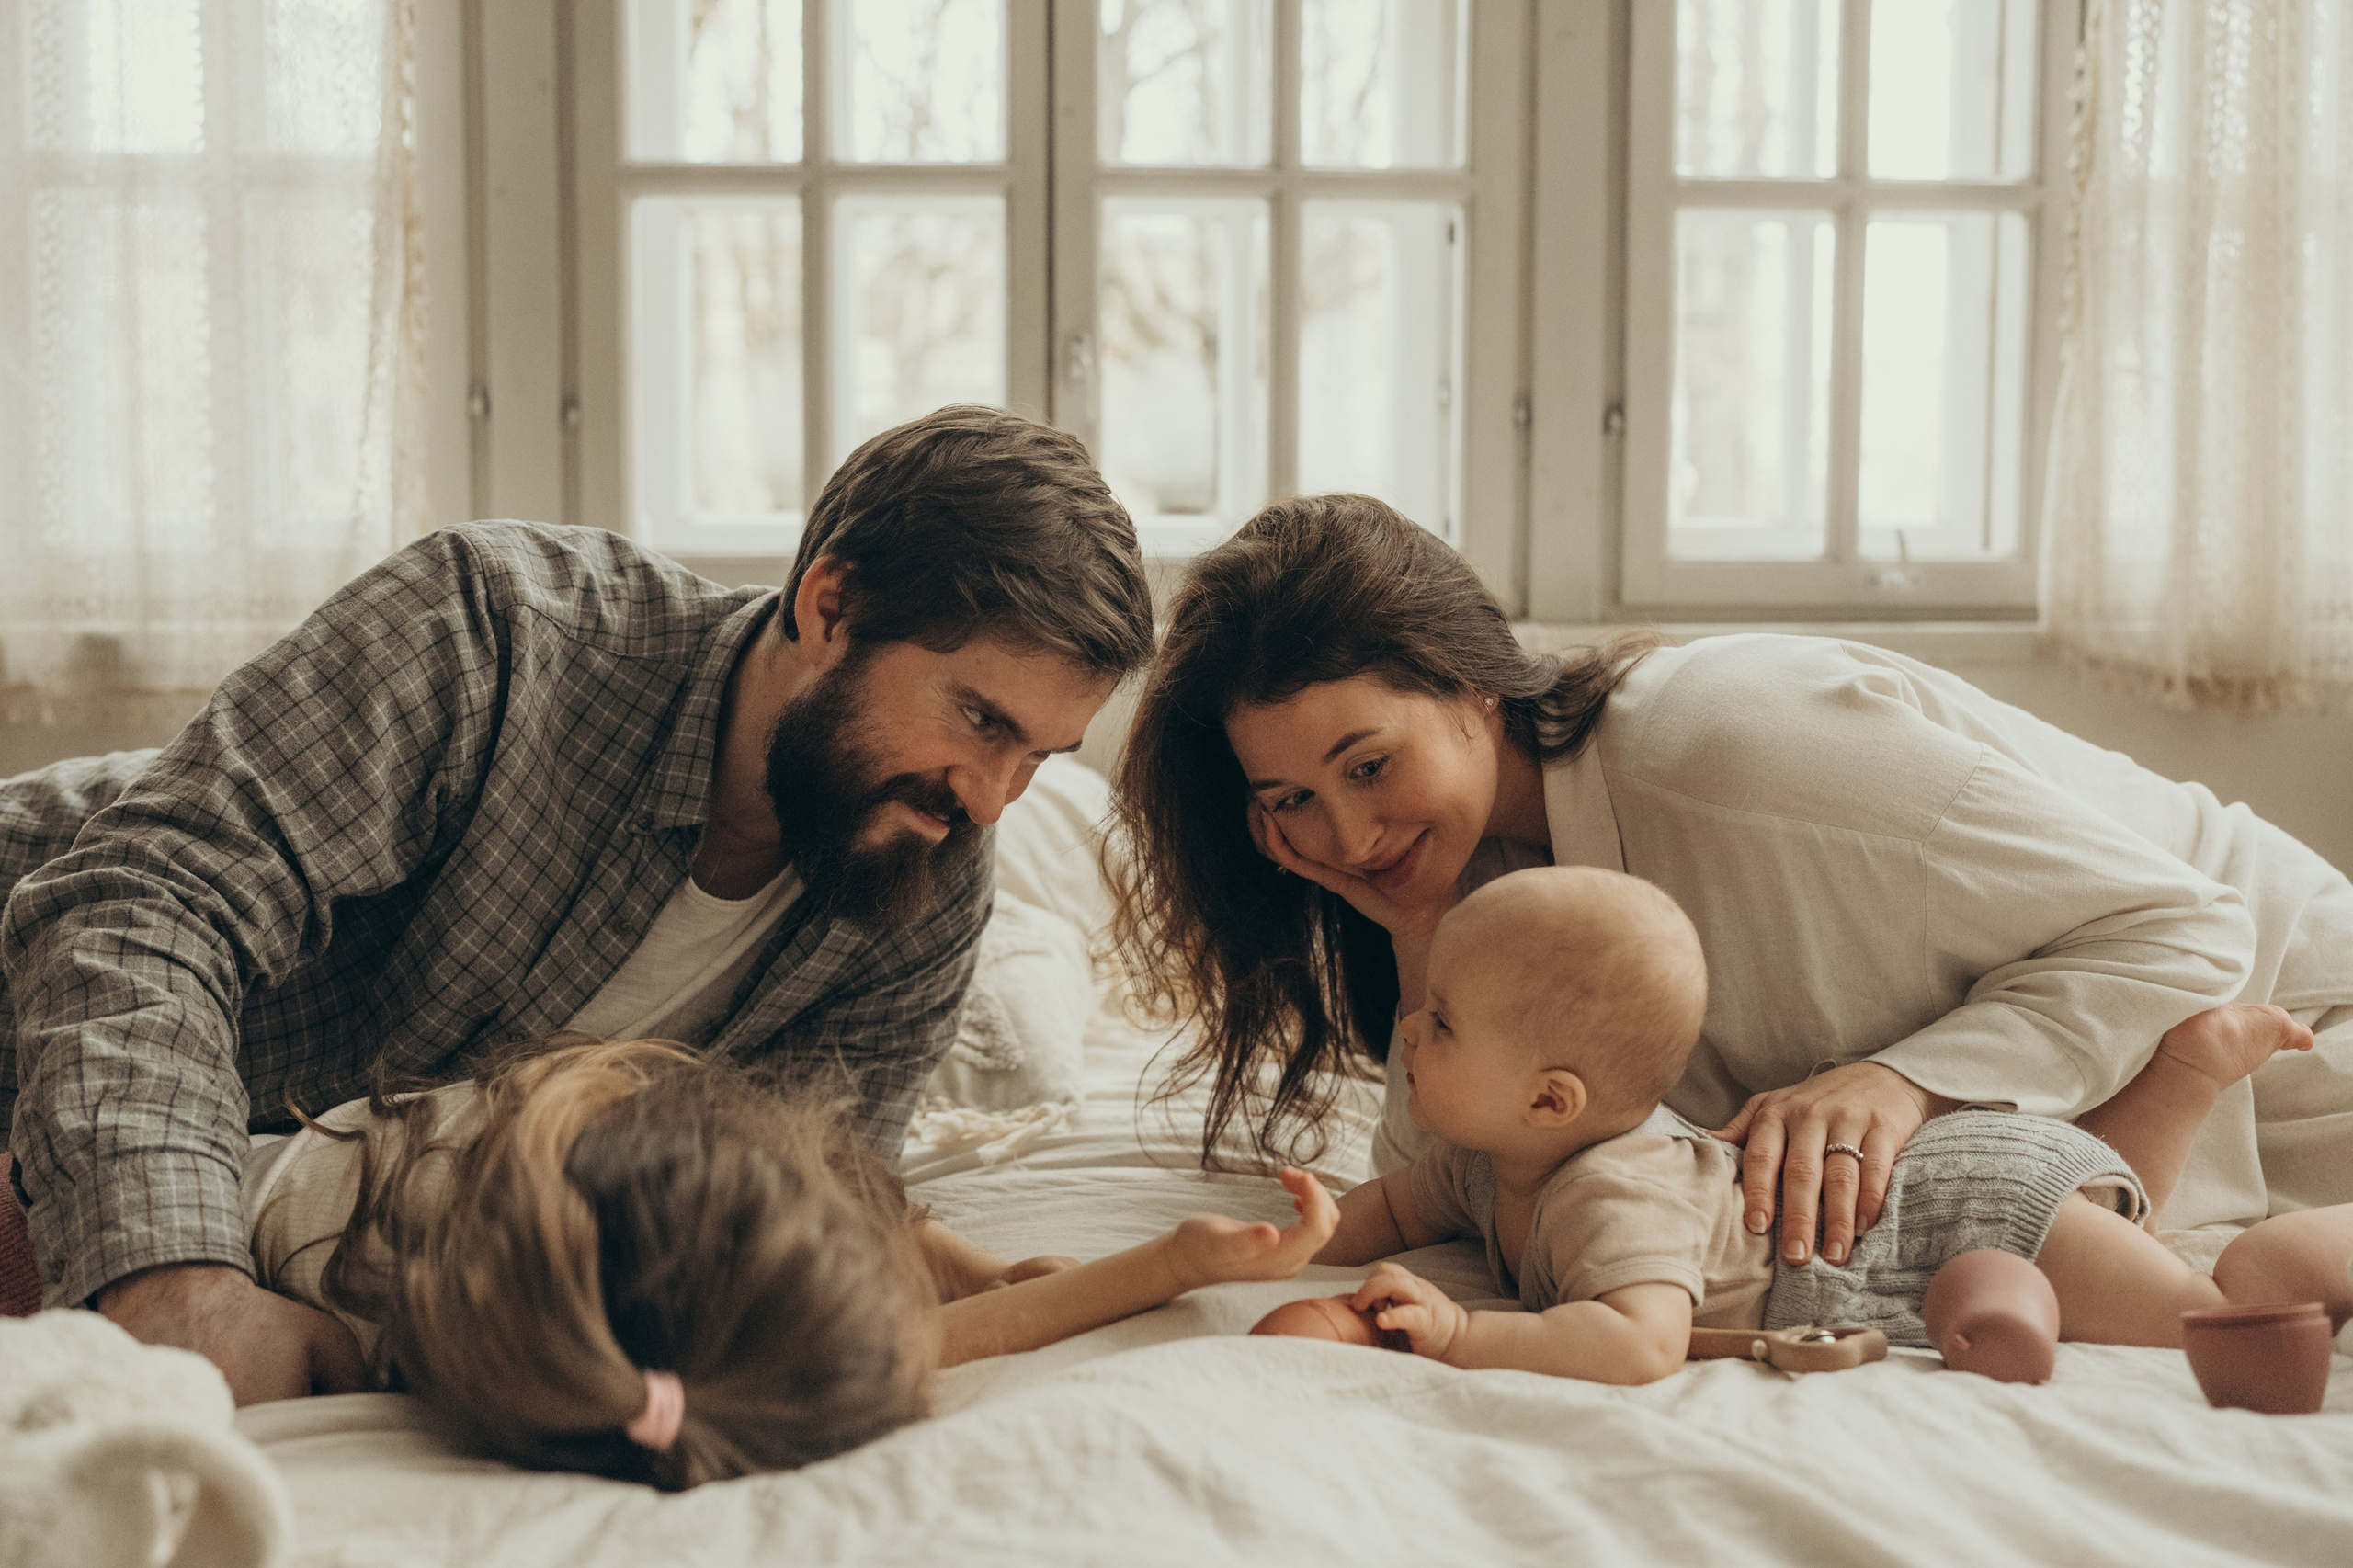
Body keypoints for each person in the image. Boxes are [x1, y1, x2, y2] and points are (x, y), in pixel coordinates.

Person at [1, 404, 1155, 1403]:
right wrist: (181, 1283)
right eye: (982, 721)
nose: (995, 799)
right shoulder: (497, 629)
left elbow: (805, 1184)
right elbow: (145, 905)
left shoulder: (923, 875)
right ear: (830, 606)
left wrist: (945, 1269)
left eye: (1043, 756)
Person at [1110, 494, 2353, 1275]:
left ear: (1474, 682)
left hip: (2299, 1049)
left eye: (1369, 764)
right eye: (1289, 802)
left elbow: (2187, 920)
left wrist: (1903, 1077)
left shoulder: (1730, 747)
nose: (1348, 830)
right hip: (2078, 1169)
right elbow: (1468, 1176)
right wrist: (1417, 927)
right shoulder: (1461, 875)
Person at [1310, 867, 2350, 1382]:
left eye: (1438, 1022)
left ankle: (2313, 1243)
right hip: (1949, 1203)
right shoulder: (1482, 1159)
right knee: (2121, 1229)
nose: (1406, 1029)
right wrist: (1303, 1231)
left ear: (1550, 1099)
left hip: (1952, 1215)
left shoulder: (1606, 1194)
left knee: (2199, 1311)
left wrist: (1460, 1333)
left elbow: (1636, 1340)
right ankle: (2185, 1070)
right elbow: (1390, 1207)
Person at [246, 1034, 1336, 1487]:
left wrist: (1157, 1263)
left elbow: (823, 1332)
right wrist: (1158, 1266)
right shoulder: (572, 1347)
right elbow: (833, 1351)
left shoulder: (434, 1198)